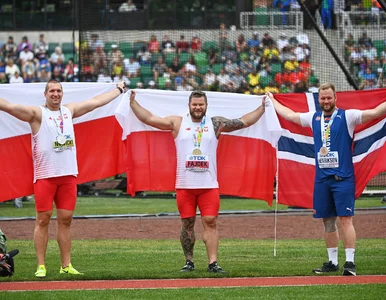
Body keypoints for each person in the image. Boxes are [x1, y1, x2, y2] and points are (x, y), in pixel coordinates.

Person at [0, 79, 127, 278]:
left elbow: (96, 102)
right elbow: (8, 106)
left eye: (58, 90)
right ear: (45, 94)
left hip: (68, 176)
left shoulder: (69, 111)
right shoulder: (36, 114)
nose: (56, 94)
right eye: (52, 91)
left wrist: (118, 90)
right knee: (43, 220)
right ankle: (41, 265)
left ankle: (66, 265)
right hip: (45, 176)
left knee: (66, 221)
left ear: (62, 93)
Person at [129, 90, 266, 273]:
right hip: (185, 185)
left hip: (208, 185)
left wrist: (263, 107)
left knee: (210, 221)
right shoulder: (177, 122)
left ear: (206, 105)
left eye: (201, 104)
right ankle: (189, 262)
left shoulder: (215, 123)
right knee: (187, 223)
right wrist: (133, 103)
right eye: (195, 104)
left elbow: (244, 121)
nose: (198, 107)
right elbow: (150, 118)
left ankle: (213, 263)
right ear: (189, 105)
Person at [267, 83, 386, 276]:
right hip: (322, 180)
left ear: (335, 98)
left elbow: (373, 113)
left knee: (346, 219)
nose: (326, 101)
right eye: (323, 98)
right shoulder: (314, 117)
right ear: (319, 99)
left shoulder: (348, 116)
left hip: (343, 179)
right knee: (327, 221)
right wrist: (272, 100)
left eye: (329, 97)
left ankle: (350, 263)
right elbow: (290, 116)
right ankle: (332, 262)